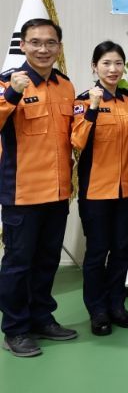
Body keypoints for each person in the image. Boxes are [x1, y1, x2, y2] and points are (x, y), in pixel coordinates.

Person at [0, 18, 77, 357]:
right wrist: (13, 94)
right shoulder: (7, 83)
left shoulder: (66, 86)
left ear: (59, 47)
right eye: (35, 42)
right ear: (23, 46)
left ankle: (41, 319)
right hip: (22, 192)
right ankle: (15, 329)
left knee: (47, 261)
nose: (43, 49)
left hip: (58, 192)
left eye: (50, 43)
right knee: (18, 264)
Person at [71, 41, 128, 336]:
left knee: (122, 250)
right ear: (94, 67)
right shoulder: (82, 101)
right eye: (106, 63)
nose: (113, 69)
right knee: (97, 252)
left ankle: (116, 304)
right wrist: (93, 108)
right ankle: (97, 310)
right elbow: (77, 142)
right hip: (96, 191)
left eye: (118, 63)